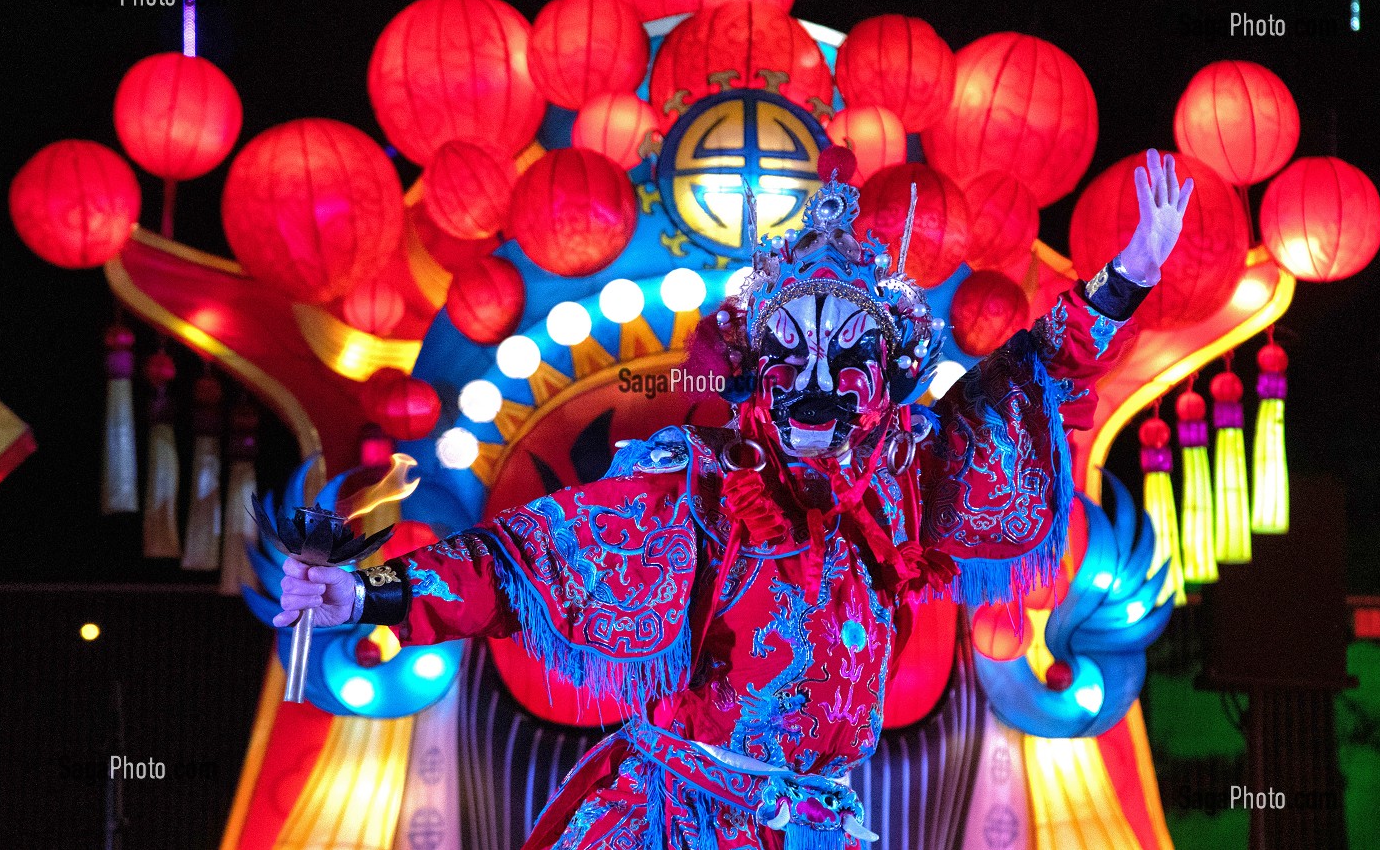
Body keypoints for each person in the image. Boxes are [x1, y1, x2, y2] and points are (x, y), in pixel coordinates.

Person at [277, 149, 1192, 850]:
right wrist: (369, 592)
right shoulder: (706, 485)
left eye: (847, 362)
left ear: (885, 379)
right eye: (790, 356)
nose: (816, 386)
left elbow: (1027, 371)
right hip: (684, 816)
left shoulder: (907, 481)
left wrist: (1131, 276)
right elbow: (528, 557)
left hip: (821, 820)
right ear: (759, 369)